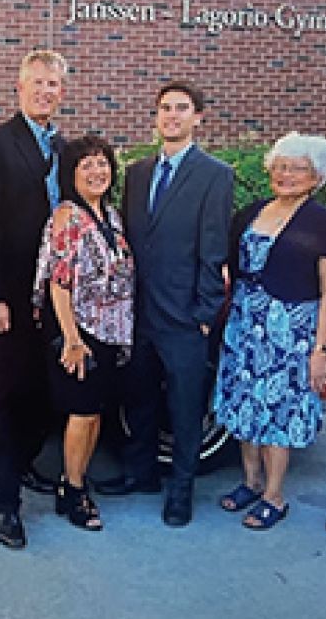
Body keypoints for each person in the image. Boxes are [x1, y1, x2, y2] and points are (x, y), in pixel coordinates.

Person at [97, 80, 233, 528]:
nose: (171, 116)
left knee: (185, 408)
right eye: (164, 108)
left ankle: (181, 490)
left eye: (181, 108)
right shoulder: (136, 173)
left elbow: (214, 251)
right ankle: (141, 475)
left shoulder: (215, 175)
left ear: (198, 118)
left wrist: (204, 314)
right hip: (138, 316)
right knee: (139, 401)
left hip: (185, 320)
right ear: (155, 117)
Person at [213, 133, 326, 529]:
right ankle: (250, 482)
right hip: (244, 325)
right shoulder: (252, 213)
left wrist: (320, 350)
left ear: (316, 176)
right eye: (280, 166)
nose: (286, 175)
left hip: (291, 332)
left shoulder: (325, 223)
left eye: (297, 168)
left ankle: (274, 495)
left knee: (277, 412)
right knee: (244, 406)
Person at [0, 49, 68, 549]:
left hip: (52, 300)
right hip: (6, 299)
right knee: (5, 397)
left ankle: (24, 466)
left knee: (42, 395)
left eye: (54, 84)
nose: (46, 90)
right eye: (38, 82)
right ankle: (3, 502)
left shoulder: (63, 148)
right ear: (19, 88)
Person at [33, 135, 135, 531]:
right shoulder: (67, 216)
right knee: (81, 413)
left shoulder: (110, 214)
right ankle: (74, 492)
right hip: (79, 331)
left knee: (94, 414)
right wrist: (73, 340)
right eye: (86, 165)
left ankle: (72, 481)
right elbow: (58, 282)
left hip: (110, 330)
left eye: (102, 163)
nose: (97, 171)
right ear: (71, 175)